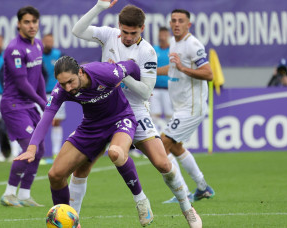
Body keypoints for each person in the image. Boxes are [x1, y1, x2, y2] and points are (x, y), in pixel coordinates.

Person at [71, 1, 201, 227]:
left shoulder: (147, 51)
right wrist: (100, 7)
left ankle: (187, 208)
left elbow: (145, 91)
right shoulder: (108, 35)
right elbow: (77, 31)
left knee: (162, 163)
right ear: (118, 25)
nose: (128, 37)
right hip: (105, 109)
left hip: (135, 111)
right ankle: (72, 219)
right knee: (82, 166)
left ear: (142, 28)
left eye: (133, 32)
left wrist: (119, 73)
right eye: (124, 31)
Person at [16, 56, 154, 227]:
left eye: (70, 82)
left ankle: (141, 200)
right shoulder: (62, 89)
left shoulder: (106, 72)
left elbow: (132, 65)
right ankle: (70, 222)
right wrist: (31, 148)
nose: (67, 87)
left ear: (80, 72)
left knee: (115, 153)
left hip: (120, 119)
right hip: (91, 127)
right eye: (63, 83)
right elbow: (47, 117)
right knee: (55, 175)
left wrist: (143, 92)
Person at [156, 9, 215, 203]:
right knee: (175, 147)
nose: (176, 24)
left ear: (188, 25)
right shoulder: (174, 42)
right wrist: (150, 72)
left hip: (191, 108)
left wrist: (183, 68)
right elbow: (172, 69)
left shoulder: (193, 44)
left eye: (181, 21)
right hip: (181, 107)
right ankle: (203, 187)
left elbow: (208, 74)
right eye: (173, 20)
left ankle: (182, 194)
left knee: (162, 145)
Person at [0, 6, 47, 208]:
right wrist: (42, 102)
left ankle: (25, 194)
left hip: (29, 104)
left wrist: (46, 102)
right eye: (27, 22)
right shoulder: (14, 49)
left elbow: (39, 78)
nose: (31, 25)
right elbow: (22, 83)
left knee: (39, 149)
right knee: (29, 148)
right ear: (19, 24)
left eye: (34, 21)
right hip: (14, 105)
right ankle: (9, 193)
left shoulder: (38, 45)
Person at [42, 33, 65, 159]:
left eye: (51, 41)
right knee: (41, 122)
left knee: (56, 122)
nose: (49, 43)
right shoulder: (37, 56)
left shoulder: (59, 55)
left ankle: (56, 152)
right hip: (41, 93)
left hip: (57, 92)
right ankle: (38, 151)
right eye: (47, 41)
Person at [150, 27, 174, 133]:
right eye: (161, 34)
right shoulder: (153, 50)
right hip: (155, 88)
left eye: (165, 34)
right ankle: (156, 137)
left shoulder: (172, 50)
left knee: (170, 115)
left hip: (169, 88)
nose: (163, 37)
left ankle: (172, 138)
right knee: (154, 115)